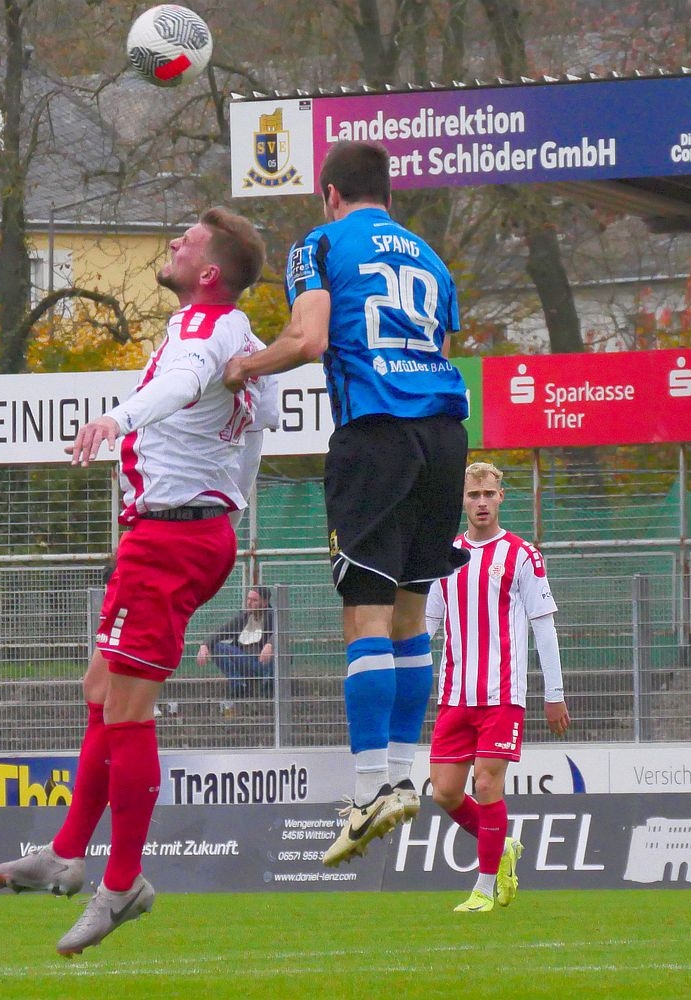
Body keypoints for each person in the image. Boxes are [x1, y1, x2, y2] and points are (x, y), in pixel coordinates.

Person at [0, 207, 278, 956]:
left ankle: (122, 884)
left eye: (188, 240)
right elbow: (262, 419)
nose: (173, 243)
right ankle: (66, 851)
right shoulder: (242, 336)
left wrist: (116, 419)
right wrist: (233, 500)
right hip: (182, 533)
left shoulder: (204, 332)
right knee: (99, 690)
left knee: (127, 712)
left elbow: (179, 385)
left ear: (209, 272)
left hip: (171, 539)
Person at [223, 139, 470, 866]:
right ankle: (401, 777)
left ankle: (367, 791)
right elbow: (438, 343)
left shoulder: (321, 244)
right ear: (388, 195)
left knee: (365, 615)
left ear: (330, 194)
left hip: (376, 433)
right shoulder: (432, 259)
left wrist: (244, 366)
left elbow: (309, 339)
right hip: (445, 436)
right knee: (412, 617)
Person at [426, 462, 570, 913]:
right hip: (454, 695)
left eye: (489, 494)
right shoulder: (443, 554)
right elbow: (428, 623)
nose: (482, 502)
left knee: (487, 783)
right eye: (474, 495)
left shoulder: (521, 555)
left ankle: (484, 888)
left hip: (502, 695)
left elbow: (543, 625)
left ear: (501, 497)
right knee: (444, 792)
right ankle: (501, 845)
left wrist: (554, 693)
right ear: (463, 501)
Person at [196, 586, 276, 698]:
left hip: (263, 663)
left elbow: (282, 632)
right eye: (248, 599)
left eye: (254, 600)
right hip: (245, 660)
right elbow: (221, 632)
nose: (249, 603)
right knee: (217, 647)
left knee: (277, 653)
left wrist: (270, 644)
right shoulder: (243, 617)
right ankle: (239, 685)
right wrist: (204, 645)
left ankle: (268, 687)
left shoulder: (273, 616)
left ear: (265, 603)